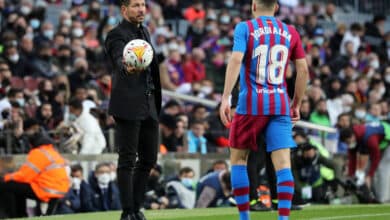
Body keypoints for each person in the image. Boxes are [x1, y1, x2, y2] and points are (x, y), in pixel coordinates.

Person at [219, 1, 309, 220]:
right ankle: (283, 218)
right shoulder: (291, 32)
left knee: (239, 159)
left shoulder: (245, 28)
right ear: (276, 7)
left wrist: (225, 97)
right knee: (283, 164)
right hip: (279, 104)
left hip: (251, 104)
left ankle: (244, 218)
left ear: (253, 5)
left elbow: (236, 59)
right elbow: (303, 70)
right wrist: (296, 103)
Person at [104, 0, 162, 219]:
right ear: (124, 9)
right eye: (136, 5)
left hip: (149, 103)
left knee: (149, 159)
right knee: (127, 159)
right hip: (128, 104)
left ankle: (137, 209)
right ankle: (127, 212)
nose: (141, 9)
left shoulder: (144, 31)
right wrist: (125, 66)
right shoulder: (115, 34)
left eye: (143, 5)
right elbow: (118, 57)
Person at [0, 119, 70, 218]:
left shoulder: (38, 153)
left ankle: (9, 216)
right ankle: (20, 215)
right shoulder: (51, 152)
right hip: (58, 189)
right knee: (18, 187)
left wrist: (6, 177)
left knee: (6, 185)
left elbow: (24, 176)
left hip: (46, 190)